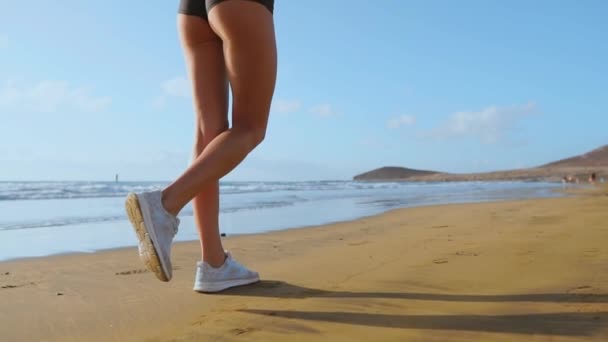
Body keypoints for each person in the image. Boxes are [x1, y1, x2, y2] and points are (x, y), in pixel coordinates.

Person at [125, 0, 276, 293]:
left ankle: (214, 264)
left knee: (209, 133)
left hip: (192, 10)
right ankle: (165, 205)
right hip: (240, 6)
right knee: (250, 128)